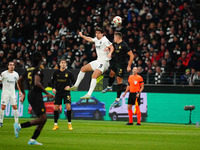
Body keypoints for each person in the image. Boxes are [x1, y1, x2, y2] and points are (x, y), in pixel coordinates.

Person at [15, 52, 53, 145]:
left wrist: (23, 92)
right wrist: (47, 93)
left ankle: (32, 140)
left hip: (31, 94)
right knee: (43, 119)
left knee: (43, 119)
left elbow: (19, 80)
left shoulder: (28, 69)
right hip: (36, 95)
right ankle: (19, 126)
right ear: (40, 61)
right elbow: (37, 83)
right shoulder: (38, 70)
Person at [67, 27, 114, 99]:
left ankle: (89, 94)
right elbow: (89, 39)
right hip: (98, 61)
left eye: (99, 33)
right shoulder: (96, 39)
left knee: (94, 75)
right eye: (96, 33)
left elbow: (112, 47)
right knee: (83, 69)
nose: (97, 34)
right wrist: (82, 36)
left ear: (102, 34)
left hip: (104, 62)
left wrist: (110, 53)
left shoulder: (104, 40)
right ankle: (76, 86)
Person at [101, 32, 134, 104]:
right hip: (115, 62)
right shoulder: (115, 43)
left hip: (121, 65)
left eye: (114, 37)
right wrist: (107, 48)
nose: (114, 39)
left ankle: (118, 99)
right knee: (111, 74)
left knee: (119, 80)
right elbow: (111, 46)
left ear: (118, 38)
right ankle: (109, 87)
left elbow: (132, 55)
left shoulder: (124, 45)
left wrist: (129, 65)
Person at [51, 59, 75, 131]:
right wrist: (53, 88)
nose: (63, 64)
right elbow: (52, 81)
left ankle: (69, 124)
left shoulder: (69, 73)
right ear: (59, 64)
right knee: (56, 108)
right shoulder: (56, 72)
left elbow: (74, 81)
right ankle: (55, 125)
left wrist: (70, 87)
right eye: (62, 63)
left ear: (66, 64)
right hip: (58, 92)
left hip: (66, 92)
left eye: (64, 63)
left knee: (68, 107)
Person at [0, 62, 20, 127]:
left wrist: (20, 91)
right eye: (10, 65)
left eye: (13, 65)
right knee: (3, 107)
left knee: (15, 107)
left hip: (12, 94)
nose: (12, 66)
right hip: (5, 93)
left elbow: (18, 83)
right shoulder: (4, 74)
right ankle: (1, 122)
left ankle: (16, 122)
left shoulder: (16, 74)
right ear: (8, 66)